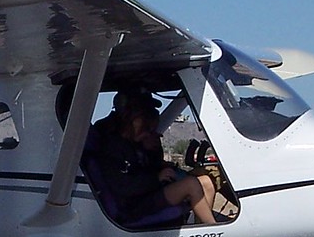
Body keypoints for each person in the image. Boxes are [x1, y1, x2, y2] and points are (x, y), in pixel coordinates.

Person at [85, 89, 217, 227]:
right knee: (191, 184)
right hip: (134, 205)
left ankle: (202, 230)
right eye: (145, 127)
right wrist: (156, 178)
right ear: (130, 120)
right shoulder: (112, 147)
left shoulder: (135, 144)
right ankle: (212, 229)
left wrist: (153, 152)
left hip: (147, 193)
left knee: (206, 183)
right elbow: (123, 186)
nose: (148, 133)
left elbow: (147, 166)